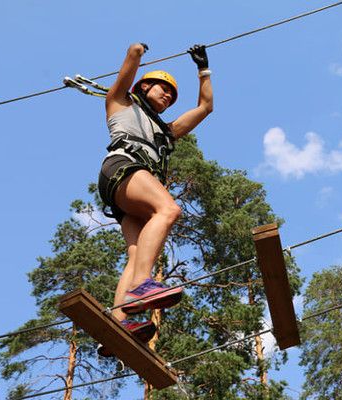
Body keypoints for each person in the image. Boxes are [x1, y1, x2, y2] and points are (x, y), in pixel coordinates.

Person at [97, 42, 213, 354]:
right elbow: (128, 67)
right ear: (145, 86)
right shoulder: (120, 103)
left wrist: (203, 70)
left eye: (172, 96)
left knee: (136, 256)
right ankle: (140, 289)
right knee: (168, 209)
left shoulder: (165, 131)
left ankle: (119, 321)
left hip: (129, 189)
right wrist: (136, 52)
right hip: (123, 169)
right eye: (164, 90)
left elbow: (205, 108)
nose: (168, 97)